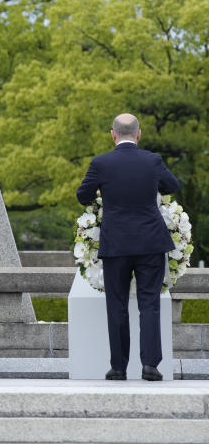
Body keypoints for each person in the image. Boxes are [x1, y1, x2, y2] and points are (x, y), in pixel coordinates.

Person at [77, 113, 179, 382]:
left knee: (117, 306)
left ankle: (119, 367)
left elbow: (82, 195)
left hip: (116, 244)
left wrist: (101, 192)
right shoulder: (153, 161)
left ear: (113, 134)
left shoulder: (101, 163)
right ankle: (150, 366)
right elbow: (172, 186)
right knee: (149, 304)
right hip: (150, 242)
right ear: (138, 134)